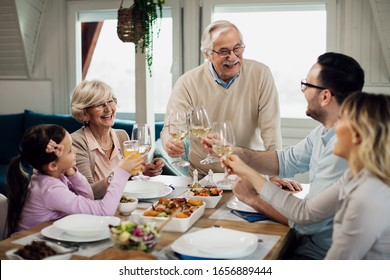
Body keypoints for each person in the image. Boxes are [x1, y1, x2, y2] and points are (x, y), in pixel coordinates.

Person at [205, 52, 365, 259]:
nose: (304, 91)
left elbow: (306, 222)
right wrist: (230, 150)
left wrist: (253, 198)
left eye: (307, 85)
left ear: (325, 96)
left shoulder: (344, 148)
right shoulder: (325, 131)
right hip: (310, 243)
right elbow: (284, 161)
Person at [224, 91, 390, 259]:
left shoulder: (368, 199)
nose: (334, 127)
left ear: (357, 135)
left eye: (341, 121)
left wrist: (253, 193)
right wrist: (248, 173)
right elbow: (305, 214)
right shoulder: (356, 176)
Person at [161, 20, 282, 178]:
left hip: (250, 173)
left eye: (237, 48)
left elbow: (271, 131)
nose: (232, 57)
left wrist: (276, 175)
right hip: (205, 176)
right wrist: (170, 143)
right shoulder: (187, 82)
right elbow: (171, 128)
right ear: (207, 54)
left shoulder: (261, 74)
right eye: (224, 51)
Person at [6, 124, 142, 236]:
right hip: (27, 245)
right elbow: (104, 212)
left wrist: (72, 173)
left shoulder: (52, 174)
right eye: (70, 150)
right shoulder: (50, 190)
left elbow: (88, 196)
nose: (75, 152)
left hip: (48, 237)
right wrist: (121, 173)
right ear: (53, 165)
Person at [71, 80, 165, 199]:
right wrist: (121, 172)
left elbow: (127, 181)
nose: (108, 109)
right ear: (84, 113)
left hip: (124, 204)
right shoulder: (76, 142)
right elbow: (87, 193)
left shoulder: (122, 136)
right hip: (96, 211)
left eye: (110, 101)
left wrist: (143, 171)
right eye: (99, 104)